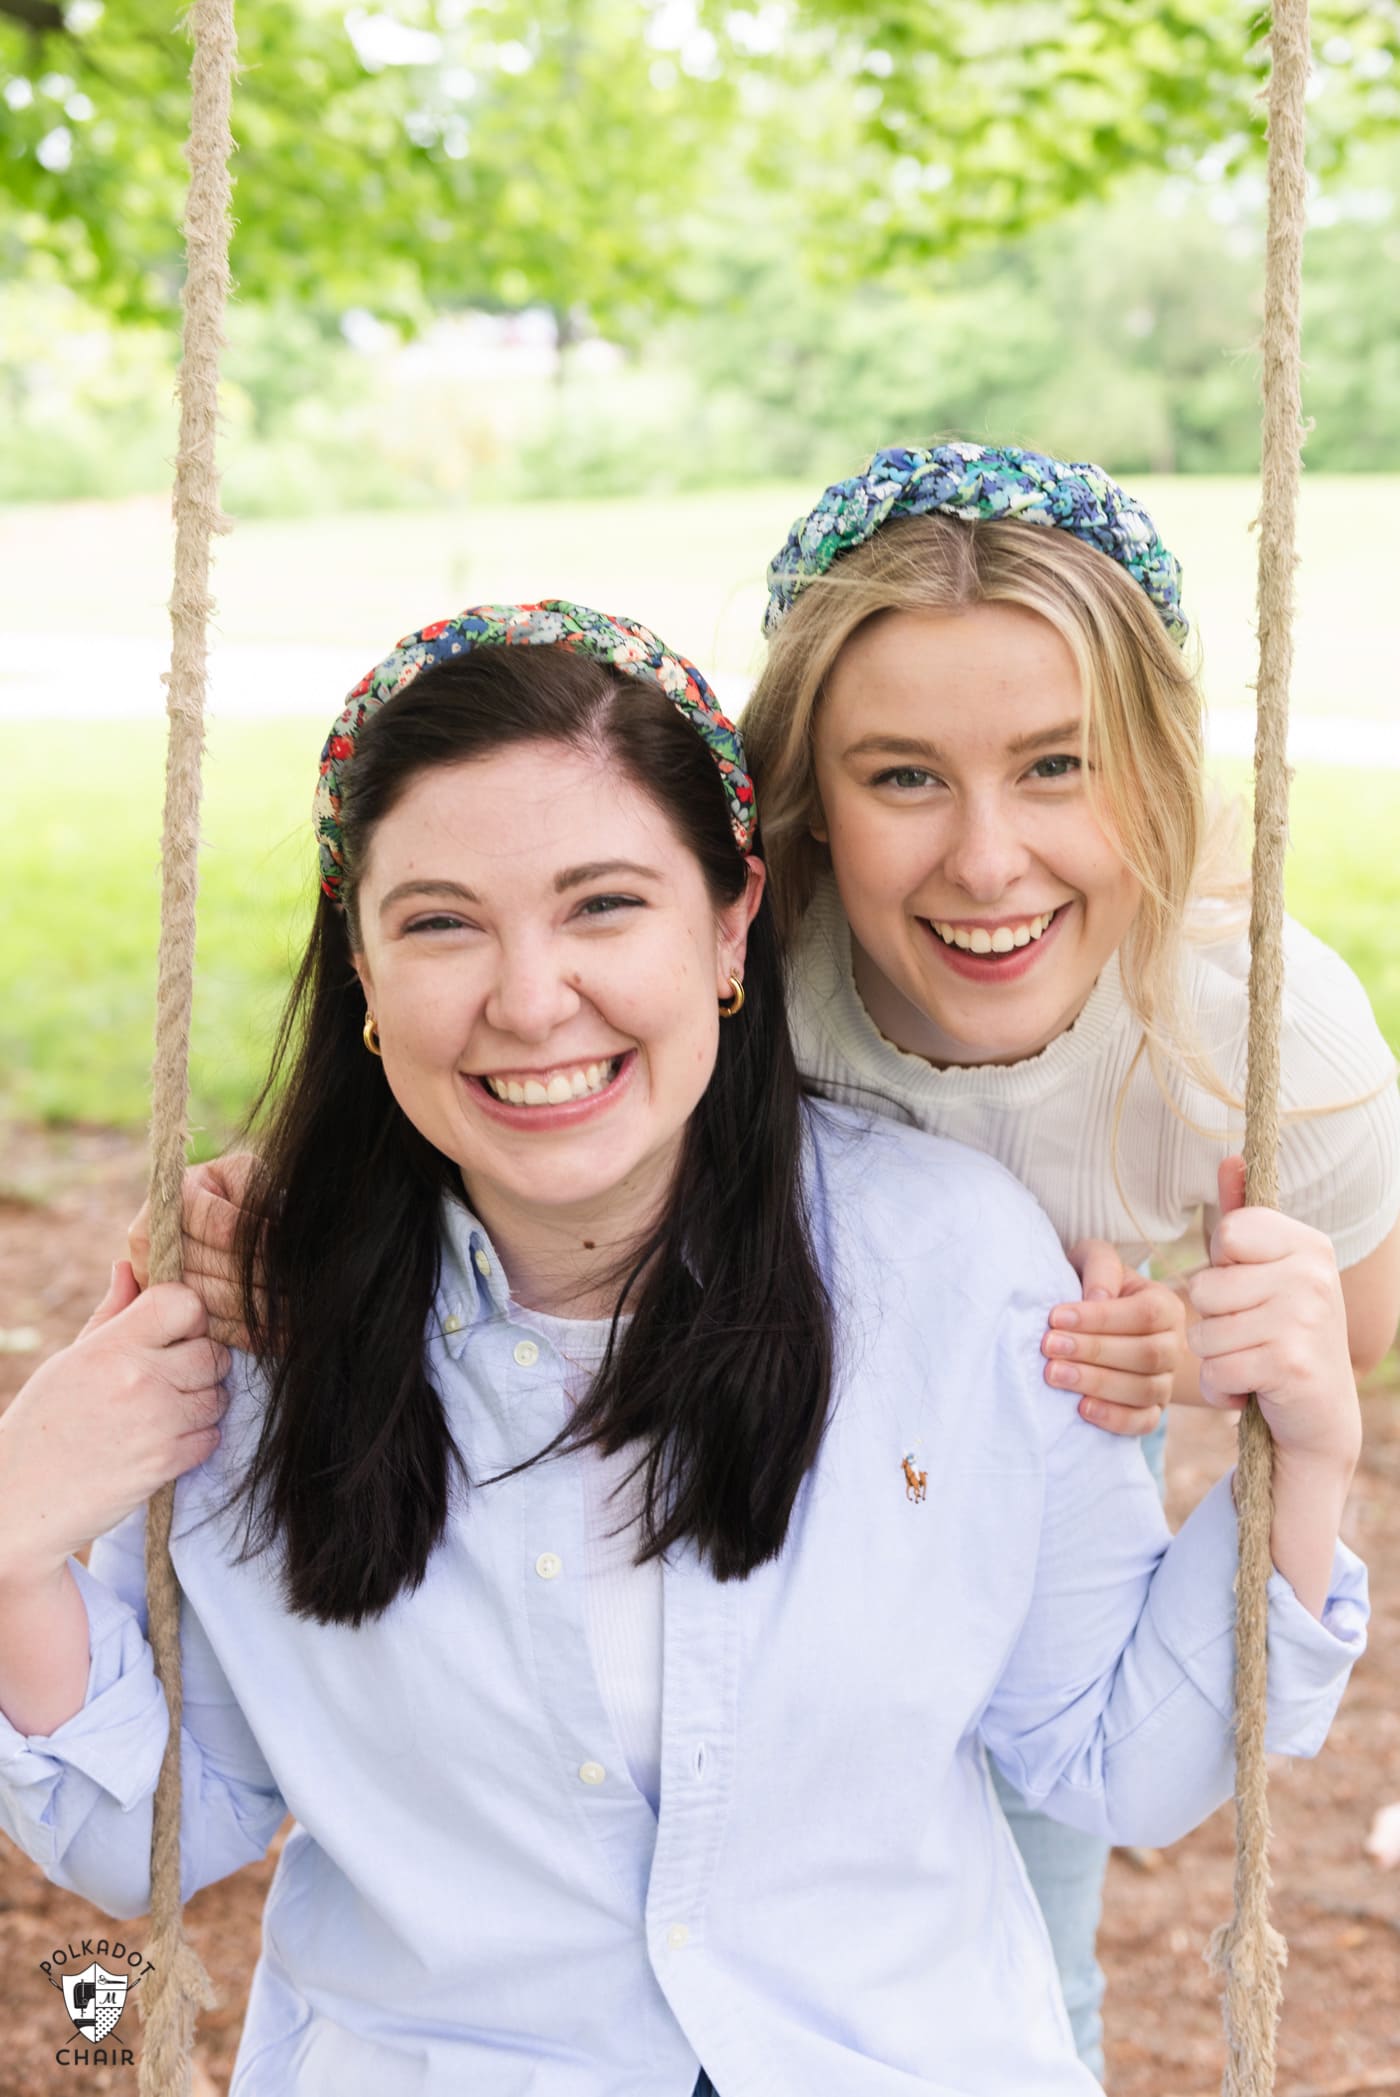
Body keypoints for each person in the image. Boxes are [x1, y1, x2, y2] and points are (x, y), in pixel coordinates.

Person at [0, 599, 1373, 2095]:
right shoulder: (261, 1320)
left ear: (730, 929)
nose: (531, 1001)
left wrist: (1305, 1457)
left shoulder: (955, 1266)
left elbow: (1119, 1757)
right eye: (443, 921)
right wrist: (14, 1533)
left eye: (603, 906)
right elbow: (154, 1825)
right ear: (365, 976)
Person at [740, 443, 1400, 2075]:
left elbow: (1360, 1316)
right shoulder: (755, 981)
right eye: (902, 777)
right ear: (808, 796)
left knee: (1024, 1959)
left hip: (1028, 1566)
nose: (985, 860)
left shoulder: (1253, 1022)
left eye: (1057, 766)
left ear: (1161, 773)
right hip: (765, 1533)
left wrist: (1182, 1339)